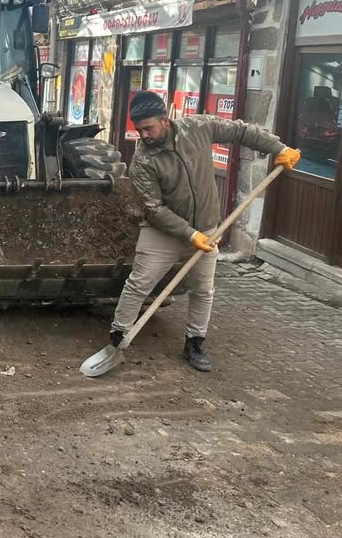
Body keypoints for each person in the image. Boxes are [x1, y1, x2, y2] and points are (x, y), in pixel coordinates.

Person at [107, 90, 301, 372]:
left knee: (203, 289)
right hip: (163, 230)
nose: (144, 135)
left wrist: (278, 148)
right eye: (139, 130)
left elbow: (239, 131)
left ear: (165, 119)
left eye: (148, 128)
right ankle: (118, 335)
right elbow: (154, 209)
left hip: (207, 228)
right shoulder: (143, 162)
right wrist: (189, 234)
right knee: (139, 282)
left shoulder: (196, 128)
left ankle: (194, 342)